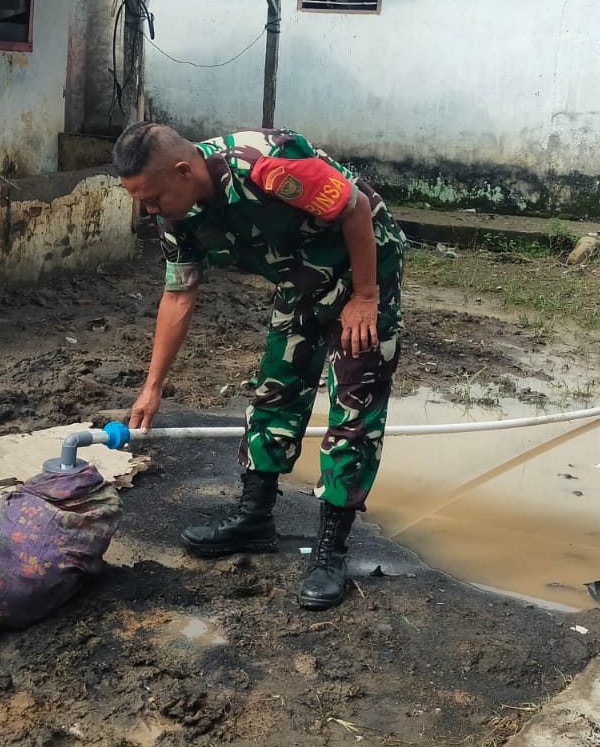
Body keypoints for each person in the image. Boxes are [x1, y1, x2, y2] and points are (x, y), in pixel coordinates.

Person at [114, 122, 404, 609]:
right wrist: (153, 386)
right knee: (277, 385)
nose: (149, 210)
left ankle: (330, 551)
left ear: (184, 171)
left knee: (355, 402)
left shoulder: (264, 167)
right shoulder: (178, 215)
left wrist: (365, 295)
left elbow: (354, 206)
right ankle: (255, 518)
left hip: (363, 264)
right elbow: (178, 294)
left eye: (153, 198)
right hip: (301, 274)